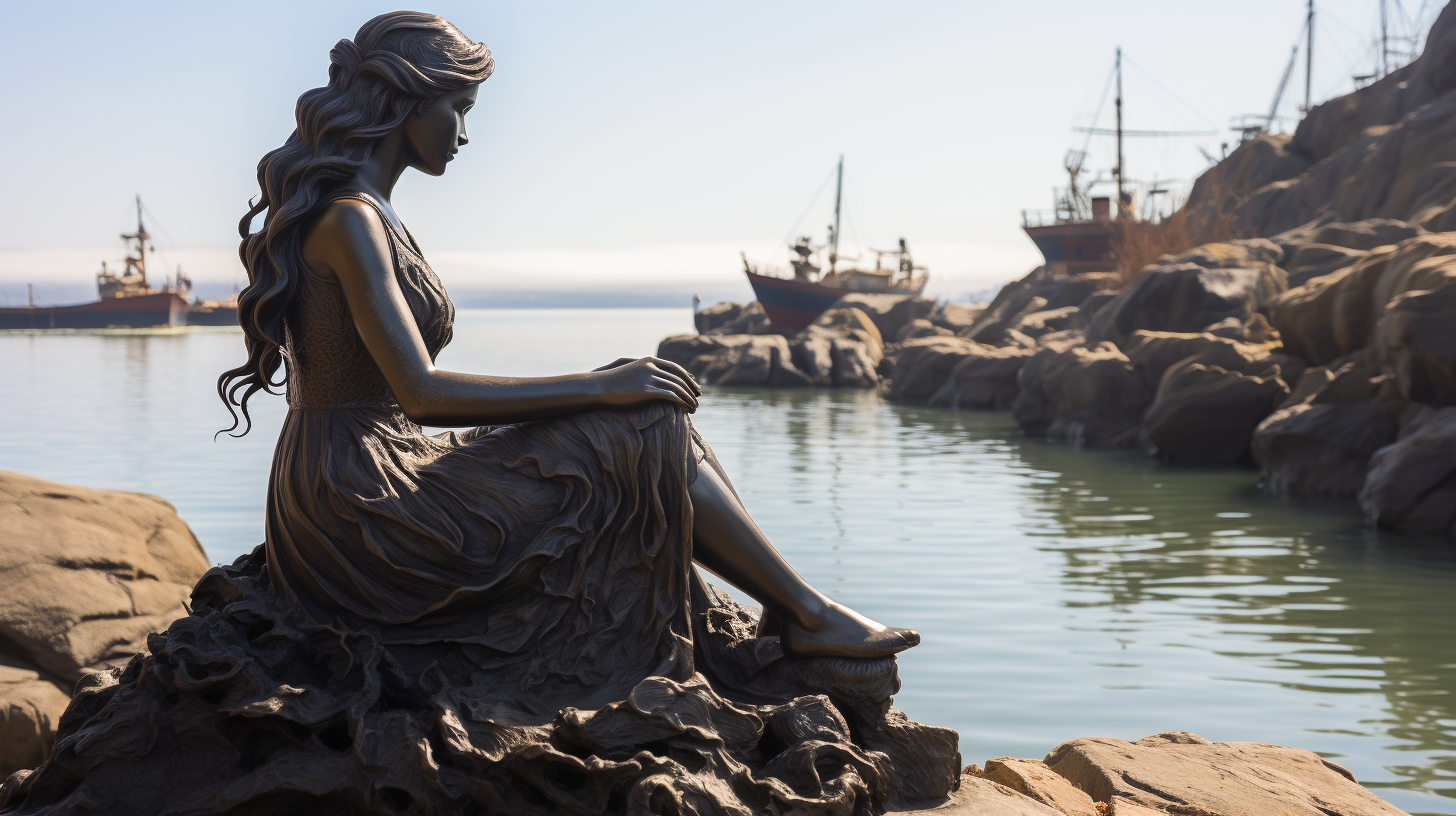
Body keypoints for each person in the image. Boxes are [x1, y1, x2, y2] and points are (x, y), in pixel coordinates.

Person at [0, 13, 956, 815]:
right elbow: (420, 395)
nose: (464, 131)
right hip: (360, 497)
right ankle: (808, 616)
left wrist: (604, 389)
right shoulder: (349, 220)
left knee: (643, 423)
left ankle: (805, 615)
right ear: (404, 101)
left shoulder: (363, 209)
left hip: (361, 465)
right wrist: (601, 384)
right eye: (457, 107)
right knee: (639, 423)